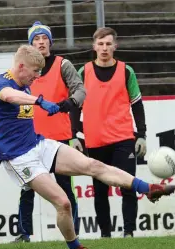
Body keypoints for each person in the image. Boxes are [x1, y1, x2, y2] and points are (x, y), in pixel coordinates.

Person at [0, 44, 175, 249]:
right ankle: (75, 248)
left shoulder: (25, 81)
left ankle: (149, 189)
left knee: (94, 165)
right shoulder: (1, 83)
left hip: (38, 144)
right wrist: (39, 102)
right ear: (21, 66)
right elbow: (9, 96)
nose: (37, 77)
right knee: (63, 202)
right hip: (18, 157)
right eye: (35, 72)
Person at [63, 27, 148, 238]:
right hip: (95, 141)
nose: (104, 48)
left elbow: (137, 104)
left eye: (108, 44)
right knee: (100, 192)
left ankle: (128, 233)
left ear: (115, 46)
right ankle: (105, 235)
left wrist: (142, 134)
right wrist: (74, 135)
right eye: (100, 44)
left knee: (128, 186)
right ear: (94, 47)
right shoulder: (83, 72)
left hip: (123, 138)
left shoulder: (126, 71)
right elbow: (75, 106)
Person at [12, 21, 85, 243]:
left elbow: (80, 89)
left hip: (59, 137)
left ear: (50, 42)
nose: (41, 42)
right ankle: (24, 234)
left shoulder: (63, 65)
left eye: (44, 38)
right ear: (30, 44)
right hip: (29, 138)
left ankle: (74, 233)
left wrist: (70, 103)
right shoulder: (22, 69)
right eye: (36, 39)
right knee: (27, 188)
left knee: (65, 188)